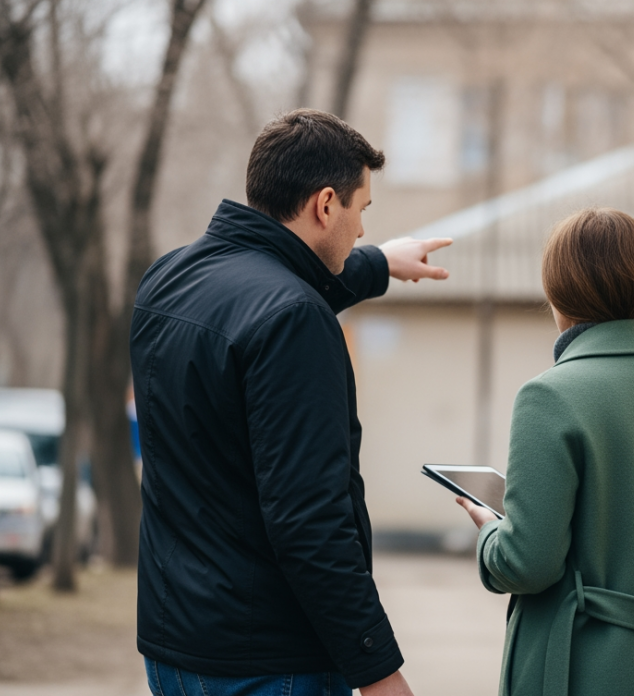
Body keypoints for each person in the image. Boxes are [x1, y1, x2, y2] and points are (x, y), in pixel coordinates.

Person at [131, 109, 451, 696]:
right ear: (326, 204)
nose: (361, 229)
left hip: (174, 650)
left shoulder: (169, 279)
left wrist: (380, 263)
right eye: (361, 210)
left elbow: (269, 287)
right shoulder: (294, 320)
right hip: (266, 664)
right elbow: (310, 521)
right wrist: (379, 672)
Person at [457, 207, 634, 696]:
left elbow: (527, 562)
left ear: (558, 293)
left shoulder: (549, 396)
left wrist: (489, 534)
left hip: (587, 670)